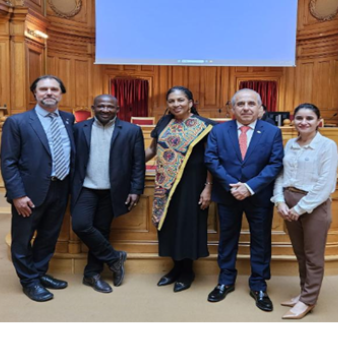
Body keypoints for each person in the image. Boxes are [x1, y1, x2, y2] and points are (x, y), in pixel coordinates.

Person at [204, 89, 284, 312]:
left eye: (251, 103)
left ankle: (258, 285)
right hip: (228, 194)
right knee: (227, 239)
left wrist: (249, 187)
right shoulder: (218, 131)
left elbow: (275, 164)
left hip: (258, 196)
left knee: (260, 240)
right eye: (240, 104)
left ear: (259, 108)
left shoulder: (272, 132)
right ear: (232, 108)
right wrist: (234, 186)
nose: (246, 107)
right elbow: (211, 160)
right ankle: (225, 281)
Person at [0, 75, 75, 302]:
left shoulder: (68, 119)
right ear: (35, 93)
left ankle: (39, 273)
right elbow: (8, 161)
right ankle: (29, 282)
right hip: (29, 193)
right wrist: (17, 195)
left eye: (54, 89)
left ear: (61, 93)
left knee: (49, 236)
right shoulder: (18, 122)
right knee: (22, 239)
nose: (49, 93)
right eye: (44, 89)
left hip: (60, 188)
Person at [71, 95, 145, 293]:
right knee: (80, 225)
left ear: (117, 108)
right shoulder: (79, 128)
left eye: (109, 106)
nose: (105, 109)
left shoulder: (132, 131)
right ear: (93, 107)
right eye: (101, 106)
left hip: (113, 190)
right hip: (86, 187)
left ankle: (92, 275)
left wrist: (135, 189)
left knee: (102, 231)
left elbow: (138, 163)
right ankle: (114, 258)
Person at [272, 103, 338, 319]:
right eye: (299, 118)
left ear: (319, 121)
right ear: (293, 121)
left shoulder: (327, 146)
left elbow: (325, 184)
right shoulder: (290, 143)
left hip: (313, 205)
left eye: (309, 118)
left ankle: (309, 300)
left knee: (313, 256)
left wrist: (300, 208)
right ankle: (304, 292)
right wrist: (280, 201)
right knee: (300, 253)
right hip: (289, 201)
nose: (303, 122)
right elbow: (280, 174)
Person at [144, 87, 215, 292]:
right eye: (172, 101)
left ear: (191, 102)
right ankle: (175, 268)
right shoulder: (164, 122)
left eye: (181, 100)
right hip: (164, 184)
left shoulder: (206, 126)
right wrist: (132, 163)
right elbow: (152, 149)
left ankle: (187, 271)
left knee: (188, 226)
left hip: (192, 184)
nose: (176, 104)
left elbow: (210, 160)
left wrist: (208, 188)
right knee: (169, 225)